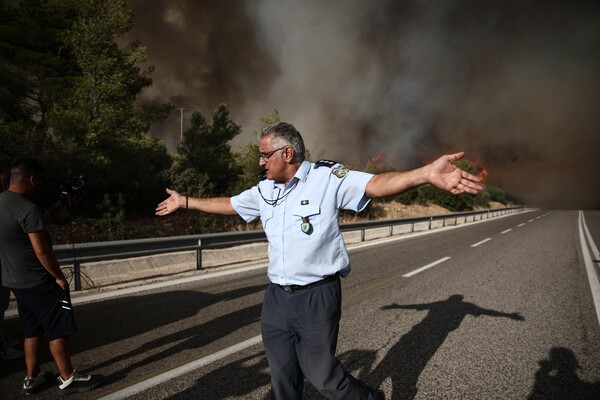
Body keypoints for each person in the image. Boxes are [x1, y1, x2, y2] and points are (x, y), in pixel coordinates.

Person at [156, 122, 483, 399]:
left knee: (324, 377)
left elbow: (376, 184)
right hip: (276, 300)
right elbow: (229, 204)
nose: (260, 162)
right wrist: (185, 201)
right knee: (282, 380)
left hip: (316, 297)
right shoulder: (266, 190)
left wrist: (425, 173)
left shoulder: (328, 178)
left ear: (287, 153)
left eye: (264, 154)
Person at [0, 159, 102, 395]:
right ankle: (68, 378)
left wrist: (57, 208)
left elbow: (21, 227)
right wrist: (58, 277)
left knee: (31, 330)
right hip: (39, 281)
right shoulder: (27, 208)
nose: (40, 187)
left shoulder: (4, 202)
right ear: (32, 179)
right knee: (58, 329)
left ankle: (32, 377)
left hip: (16, 282)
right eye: (40, 181)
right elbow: (41, 250)